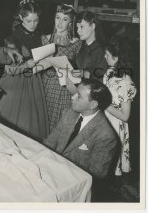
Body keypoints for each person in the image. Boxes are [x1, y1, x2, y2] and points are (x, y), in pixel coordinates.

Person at [43, 78, 117, 180]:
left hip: (73, 180)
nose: (73, 97)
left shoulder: (105, 135)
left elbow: (96, 174)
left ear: (93, 105)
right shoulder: (68, 113)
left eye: (79, 96)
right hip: (50, 168)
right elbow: (50, 142)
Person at [0, 0, 49, 141]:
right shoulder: (12, 39)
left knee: (33, 126)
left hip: (34, 81)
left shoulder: (39, 35)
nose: (33, 25)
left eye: (36, 20)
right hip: (16, 83)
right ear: (21, 18)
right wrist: (27, 65)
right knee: (16, 124)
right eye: (29, 21)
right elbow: (9, 70)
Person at [42, 3, 81, 132]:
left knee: (61, 125)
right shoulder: (45, 39)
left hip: (65, 88)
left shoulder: (77, 42)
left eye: (65, 19)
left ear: (70, 23)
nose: (60, 22)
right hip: (46, 84)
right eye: (57, 17)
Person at [103, 37, 137, 179]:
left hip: (116, 124)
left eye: (107, 55)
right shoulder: (110, 71)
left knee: (111, 161)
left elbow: (125, 116)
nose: (104, 57)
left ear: (116, 58)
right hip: (105, 119)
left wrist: (103, 104)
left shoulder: (126, 82)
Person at [75, 11, 108, 81]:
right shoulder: (81, 46)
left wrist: (85, 73)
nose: (78, 31)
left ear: (93, 26)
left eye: (81, 27)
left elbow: (102, 78)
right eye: (77, 27)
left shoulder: (102, 51)